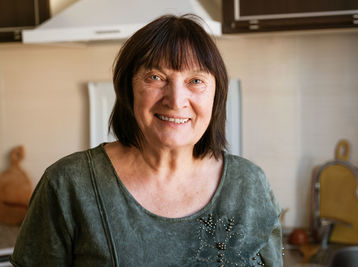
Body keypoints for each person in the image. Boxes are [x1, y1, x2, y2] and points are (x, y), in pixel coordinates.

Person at [11, 14, 282, 267]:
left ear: (216, 96)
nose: (176, 101)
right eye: (156, 77)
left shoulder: (251, 186)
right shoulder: (68, 185)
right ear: (128, 89)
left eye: (195, 80)